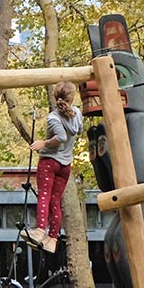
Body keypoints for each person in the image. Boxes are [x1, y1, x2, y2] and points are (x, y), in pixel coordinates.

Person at [23, 81, 83, 254]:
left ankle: (40, 230)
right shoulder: (77, 114)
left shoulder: (53, 117)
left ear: (55, 96)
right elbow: (78, 131)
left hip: (49, 161)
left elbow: (61, 137)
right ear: (72, 97)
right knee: (55, 200)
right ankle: (53, 239)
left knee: (44, 195)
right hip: (65, 165)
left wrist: (44, 143)